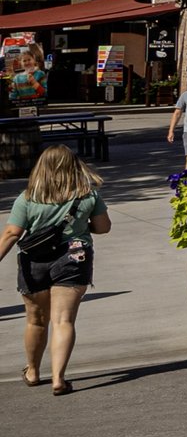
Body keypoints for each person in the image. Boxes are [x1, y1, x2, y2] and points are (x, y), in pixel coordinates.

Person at [2, 145, 110, 395]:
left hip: (34, 262)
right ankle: (58, 378)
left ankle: (32, 371)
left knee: (36, 320)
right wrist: (80, 226)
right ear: (74, 166)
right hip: (74, 257)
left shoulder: (28, 197)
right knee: (63, 320)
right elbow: (103, 227)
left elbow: (11, 233)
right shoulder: (88, 196)